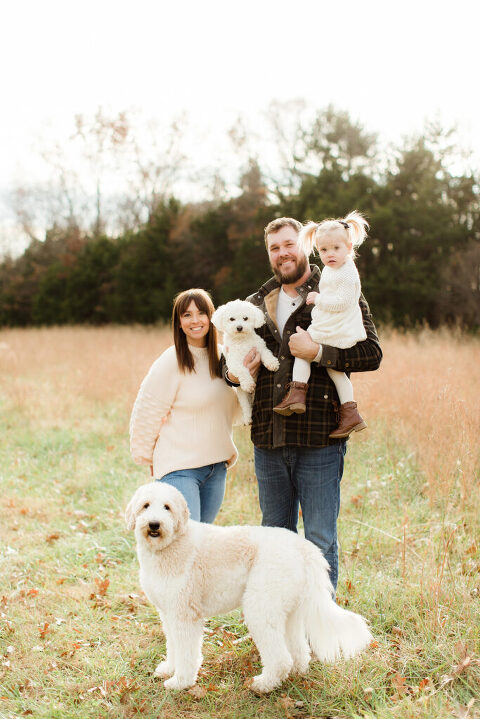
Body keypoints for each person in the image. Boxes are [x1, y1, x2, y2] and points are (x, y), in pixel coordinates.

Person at [224, 217, 382, 591]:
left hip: (320, 440)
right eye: (274, 248)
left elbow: (371, 353)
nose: (283, 253)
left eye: (289, 244)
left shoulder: (337, 287)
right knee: (274, 539)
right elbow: (226, 357)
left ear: (305, 245)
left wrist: (319, 352)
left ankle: (319, 620)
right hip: (269, 439)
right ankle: (278, 618)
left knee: (320, 539)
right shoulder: (254, 303)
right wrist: (234, 374)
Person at [130, 288, 240, 523]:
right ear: (179, 323)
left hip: (216, 467)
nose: (195, 320)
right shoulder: (172, 360)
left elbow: (237, 409)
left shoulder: (226, 357)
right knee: (185, 538)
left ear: (212, 317)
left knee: (201, 541)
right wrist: (147, 457)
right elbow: (147, 409)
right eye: (187, 315)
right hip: (180, 468)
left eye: (201, 313)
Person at [273, 211, 369, 440]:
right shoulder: (333, 269)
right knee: (336, 372)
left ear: (349, 247)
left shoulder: (347, 272)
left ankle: (297, 392)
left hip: (337, 327)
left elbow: (343, 302)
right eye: (324, 250)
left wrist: (318, 299)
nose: (329, 254)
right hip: (333, 324)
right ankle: (350, 412)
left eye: (336, 248)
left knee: (303, 351)